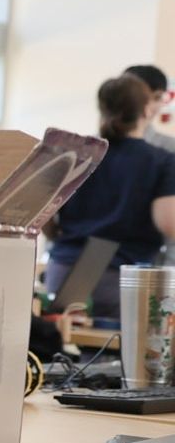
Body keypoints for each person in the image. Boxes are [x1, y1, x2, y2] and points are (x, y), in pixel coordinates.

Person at [44, 75, 175, 316]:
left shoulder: (77, 154)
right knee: (119, 339)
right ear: (146, 110)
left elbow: (44, 211)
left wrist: (56, 235)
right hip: (121, 276)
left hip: (65, 268)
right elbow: (168, 222)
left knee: (64, 338)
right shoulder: (161, 161)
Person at [125, 65, 172, 152]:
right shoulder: (99, 146)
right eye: (140, 97)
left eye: (157, 97)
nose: (148, 105)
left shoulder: (170, 148)